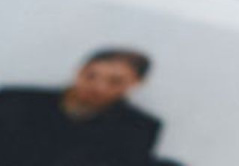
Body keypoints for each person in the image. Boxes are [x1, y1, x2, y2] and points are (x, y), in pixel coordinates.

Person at [0, 52, 161, 162]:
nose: (98, 87)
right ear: (79, 71)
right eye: (91, 76)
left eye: (115, 81)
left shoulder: (138, 128)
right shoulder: (16, 102)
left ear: (136, 83)